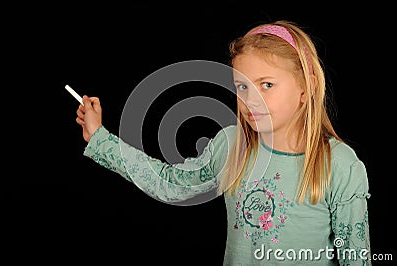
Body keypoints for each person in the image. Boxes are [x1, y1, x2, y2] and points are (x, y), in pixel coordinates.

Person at [75, 20, 371, 265]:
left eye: (267, 85)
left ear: (306, 89)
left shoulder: (339, 164)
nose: (250, 99)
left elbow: (356, 258)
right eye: (242, 86)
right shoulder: (231, 146)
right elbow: (170, 183)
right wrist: (101, 139)